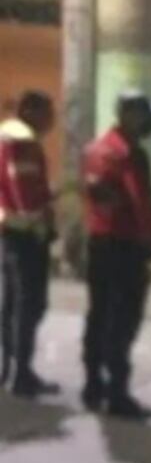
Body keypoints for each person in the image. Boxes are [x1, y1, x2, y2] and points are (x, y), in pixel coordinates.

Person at [80, 90, 151, 420]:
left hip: (102, 242)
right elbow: (135, 200)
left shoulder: (99, 148)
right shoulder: (125, 153)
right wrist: (149, 238)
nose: (150, 122)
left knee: (99, 315)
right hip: (124, 245)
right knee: (123, 320)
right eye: (145, 114)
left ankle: (93, 386)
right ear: (129, 114)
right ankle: (117, 393)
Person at [0, 91, 59, 398]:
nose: (52, 119)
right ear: (30, 111)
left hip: (11, 232)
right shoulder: (20, 141)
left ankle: (12, 369)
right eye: (47, 112)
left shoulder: (9, 137)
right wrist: (44, 212)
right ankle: (20, 373)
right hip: (25, 234)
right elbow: (23, 192)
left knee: (14, 303)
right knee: (29, 304)